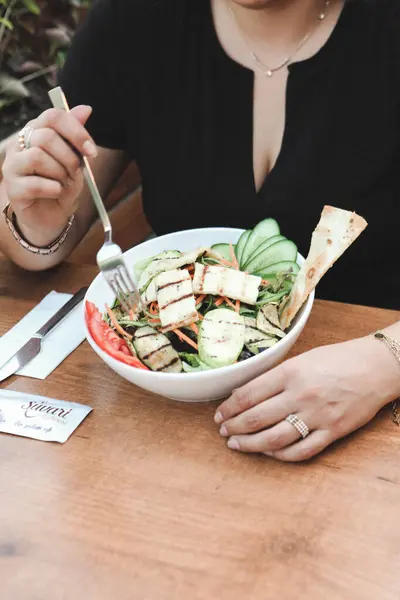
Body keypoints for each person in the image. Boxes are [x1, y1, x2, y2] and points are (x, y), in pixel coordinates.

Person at [0, 0, 399, 461]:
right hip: (162, 428)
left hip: (372, 433)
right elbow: (39, 248)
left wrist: (383, 363)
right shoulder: (135, 20)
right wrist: (38, 219)